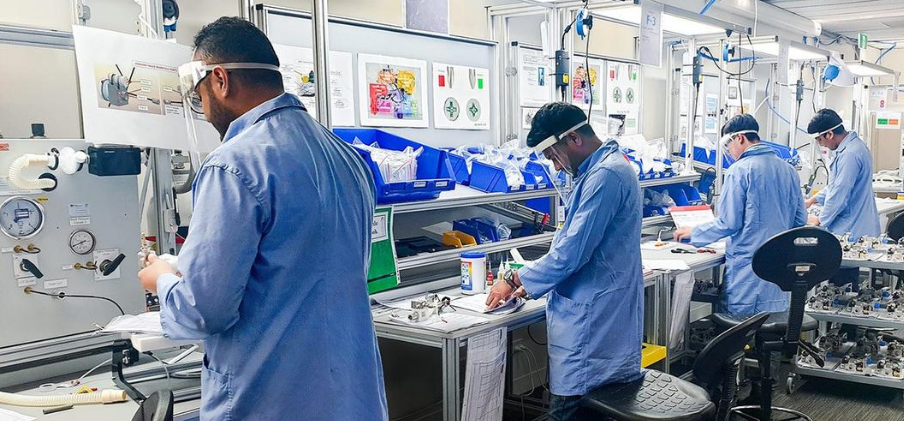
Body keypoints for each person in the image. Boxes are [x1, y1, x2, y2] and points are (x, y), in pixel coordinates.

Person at [137, 17, 388, 421]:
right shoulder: (346, 156)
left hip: (270, 397)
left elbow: (205, 310)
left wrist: (163, 279)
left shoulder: (233, 165)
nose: (202, 110)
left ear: (220, 80)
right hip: (349, 396)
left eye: (200, 96)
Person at [485, 102, 644, 421]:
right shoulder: (601, 170)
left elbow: (571, 253)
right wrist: (529, 281)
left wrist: (516, 279)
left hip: (594, 328)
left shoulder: (607, 175)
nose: (556, 167)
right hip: (598, 314)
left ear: (574, 138)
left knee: (572, 412)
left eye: (553, 155)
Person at [674, 114, 806, 315]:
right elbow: (799, 220)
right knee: (773, 328)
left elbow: (729, 223)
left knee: (742, 331)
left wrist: (694, 232)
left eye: (728, 145)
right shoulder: (788, 170)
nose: (729, 151)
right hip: (779, 268)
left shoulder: (740, 170)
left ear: (740, 139)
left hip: (749, 270)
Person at [804, 108, 879, 240]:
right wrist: (812, 200)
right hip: (856, 223)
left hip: (853, 228)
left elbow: (840, 192)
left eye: (819, 140)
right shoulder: (852, 148)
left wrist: (820, 220)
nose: (821, 145)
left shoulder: (850, 154)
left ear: (830, 134)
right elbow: (836, 184)